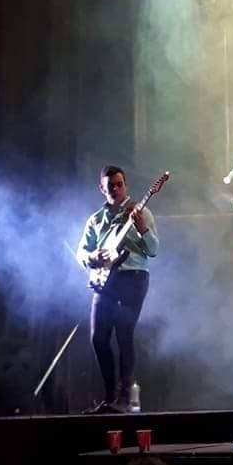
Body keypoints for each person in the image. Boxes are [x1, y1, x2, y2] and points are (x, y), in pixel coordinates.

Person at [76, 166, 159, 414]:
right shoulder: (95, 219)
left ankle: (124, 398)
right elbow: (81, 252)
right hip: (105, 281)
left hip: (133, 277)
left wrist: (142, 228)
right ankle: (109, 396)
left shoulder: (141, 211)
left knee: (124, 333)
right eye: (110, 185)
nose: (115, 188)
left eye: (119, 184)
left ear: (126, 185)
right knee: (98, 338)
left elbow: (154, 249)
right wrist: (93, 257)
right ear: (102, 188)